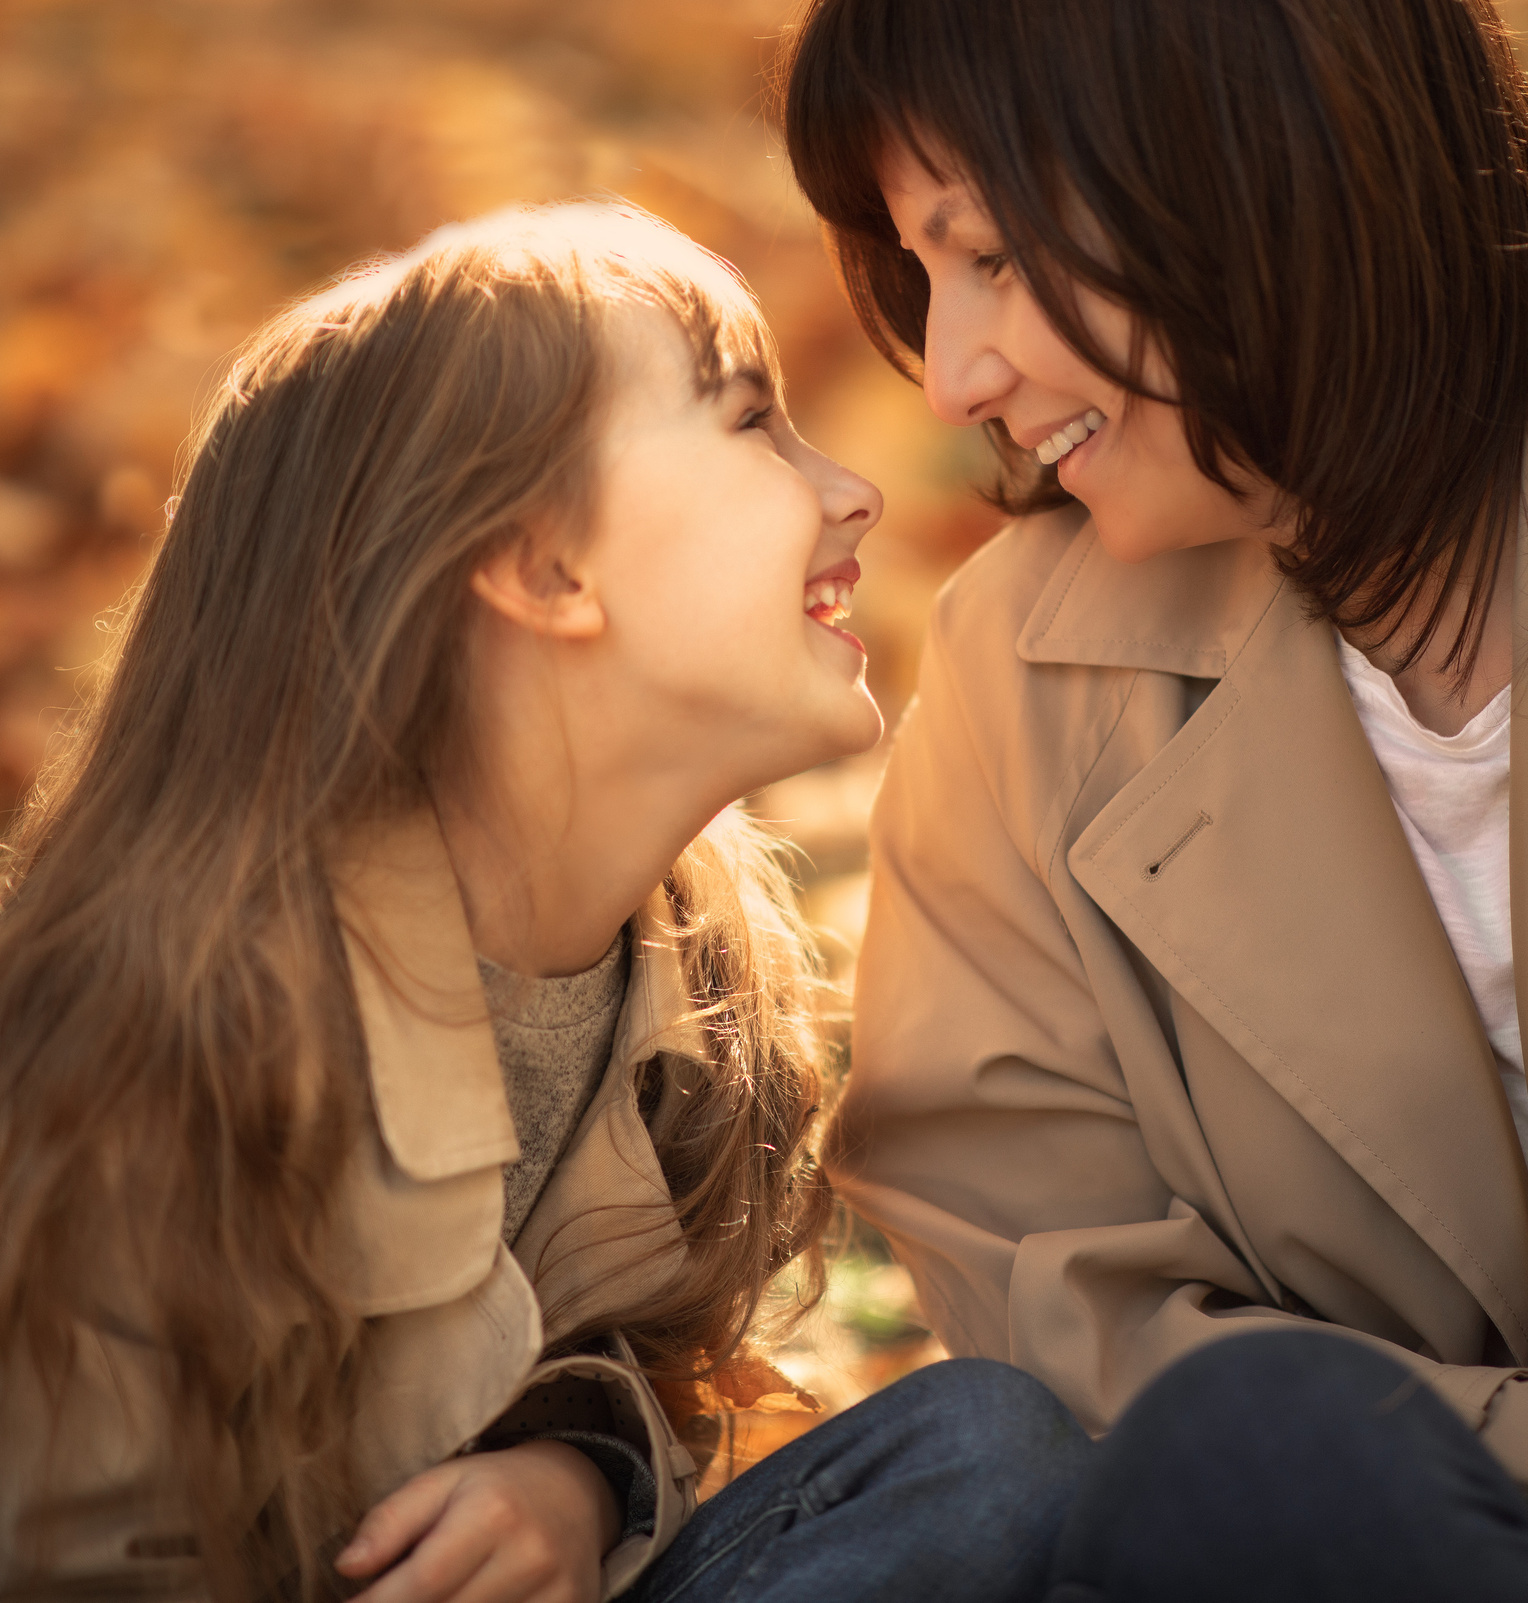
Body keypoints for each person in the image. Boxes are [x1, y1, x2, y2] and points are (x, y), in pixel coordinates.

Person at [780, 0, 1528, 1598]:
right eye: (923, 278)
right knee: (1262, 1439)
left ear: (1240, 156)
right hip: (1352, 1555)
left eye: (986, 255)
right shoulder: (1019, 674)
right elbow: (1078, 1335)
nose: (951, 372)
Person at [0, 203, 1090, 1602]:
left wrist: (583, 1473)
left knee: (986, 1450)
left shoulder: (693, 985)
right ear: (541, 568)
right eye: (754, 422)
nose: (853, 489)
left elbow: (661, 1367)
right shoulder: (176, 1040)